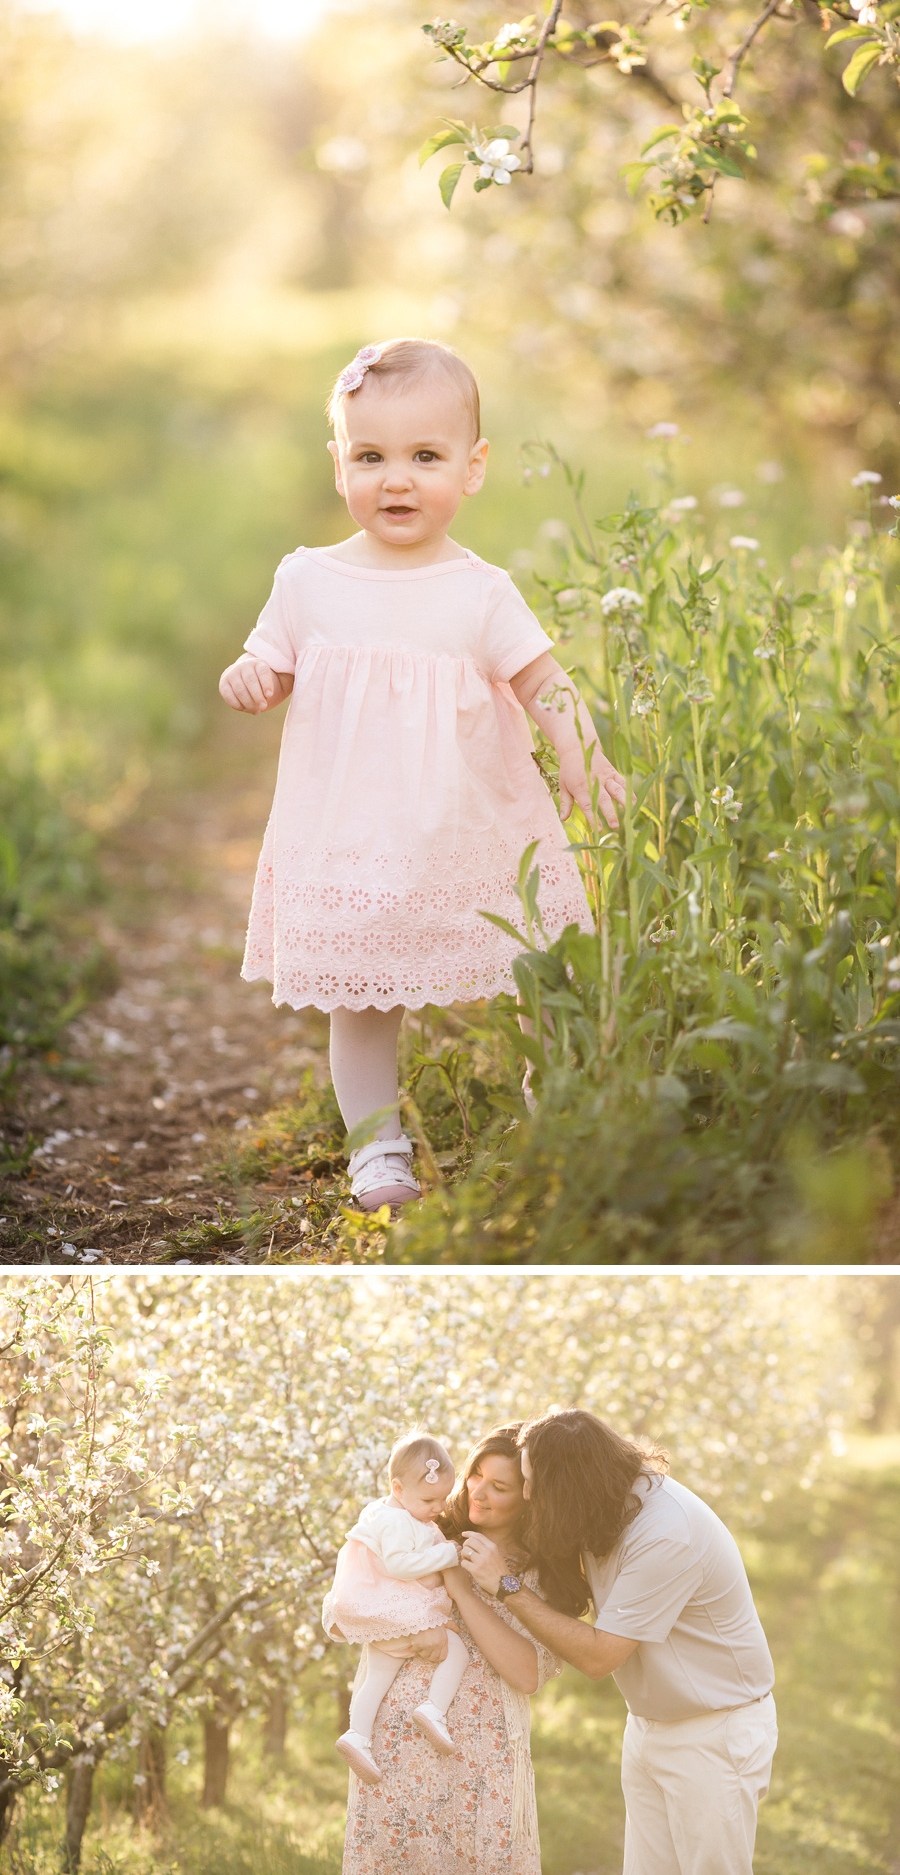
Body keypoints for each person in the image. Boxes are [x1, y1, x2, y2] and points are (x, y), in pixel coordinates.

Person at [218, 337, 625, 1210]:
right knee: (361, 1003)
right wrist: (249, 679)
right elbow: (269, 666)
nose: (396, 480)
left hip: (471, 831)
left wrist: (585, 758)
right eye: (371, 457)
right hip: (353, 838)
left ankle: (549, 1110)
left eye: (425, 457)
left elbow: (545, 683)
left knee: (531, 971)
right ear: (339, 467)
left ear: (472, 468)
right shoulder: (308, 581)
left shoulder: (480, 592)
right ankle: (377, 1149)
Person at [459, 1406, 778, 1875]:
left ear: (569, 1487)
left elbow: (598, 1656)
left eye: (532, 1484)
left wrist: (505, 1585)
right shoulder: (602, 1501)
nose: (527, 1494)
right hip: (650, 1725)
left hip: (713, 1735)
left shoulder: (667, 1534)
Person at [338, 1426, 562, 1875]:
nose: (477, 1491)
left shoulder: (539, 1572)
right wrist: (404, 1635)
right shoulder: (423, 1528)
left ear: (531, 1496)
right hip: (396, 1747)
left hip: (481, 1757)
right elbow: (361, 1601)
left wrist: (464, 1590)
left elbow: (526, 1674)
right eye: (476, 1474)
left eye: (498, 1486)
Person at [323, 1434, 467, 1784]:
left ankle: (357, 1734)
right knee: (457, 1650)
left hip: (380, 1615)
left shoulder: (380, 1511)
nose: (439, 1508)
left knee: (378, 1677)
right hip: (398, 1610)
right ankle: (433, 1710)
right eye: (430, 1499)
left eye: (443, 1499)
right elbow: (402, 1566)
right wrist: (449, 1552)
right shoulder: (399, 1521)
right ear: (398, 1487)